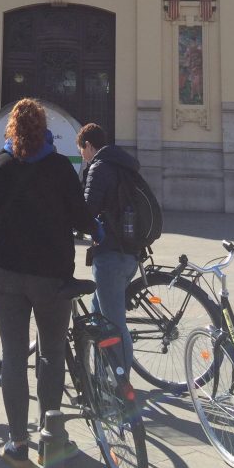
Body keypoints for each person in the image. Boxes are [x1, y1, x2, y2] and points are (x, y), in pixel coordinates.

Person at [0, 98, 98, 468]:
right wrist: (99, 231)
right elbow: (82, 218)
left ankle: (17, 442)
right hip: (51, 277)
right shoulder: (60, 168)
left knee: (13, 356)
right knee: (51, 354)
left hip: (5, 276)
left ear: (11, 129)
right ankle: (51, 438)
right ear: (44, 130)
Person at [76, 123, 141, 372]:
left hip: (111, 252)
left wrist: (71, 223)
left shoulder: (100, 167)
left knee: (114, 324)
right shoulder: (125, 166)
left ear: (89, 146)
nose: (83, 157)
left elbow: (87, 210)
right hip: (130, 251)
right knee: (97, 313)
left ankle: (121, 384)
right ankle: (100, 373)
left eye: (82, 151)